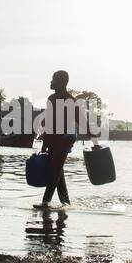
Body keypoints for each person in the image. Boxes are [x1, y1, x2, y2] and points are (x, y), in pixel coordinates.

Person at [34, 70, 78, 209]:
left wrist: (94, 141)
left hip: (64, 140)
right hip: (52, 140)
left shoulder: (70, 100)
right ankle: (66, 203)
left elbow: (80, 120)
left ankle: (45, 202)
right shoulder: (51, 99)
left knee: (54, 171)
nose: (51, 82)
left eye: (53, 79)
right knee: (58, 172)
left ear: (61, 82)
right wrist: (44, 144)